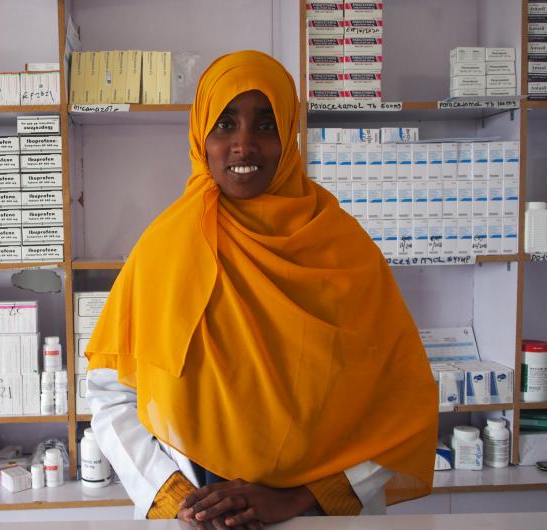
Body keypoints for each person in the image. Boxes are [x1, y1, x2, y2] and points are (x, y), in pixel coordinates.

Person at [84, 50, 438, 529]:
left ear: (289, 136)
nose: (244, 145)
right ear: (200, 137)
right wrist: (178, 497)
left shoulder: (343, 249)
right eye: (225, 124)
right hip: (199, 513)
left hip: (315, 517)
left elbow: (400, 404)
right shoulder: (166, 249)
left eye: (266, 125)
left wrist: (301, 498)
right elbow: (112, 395)